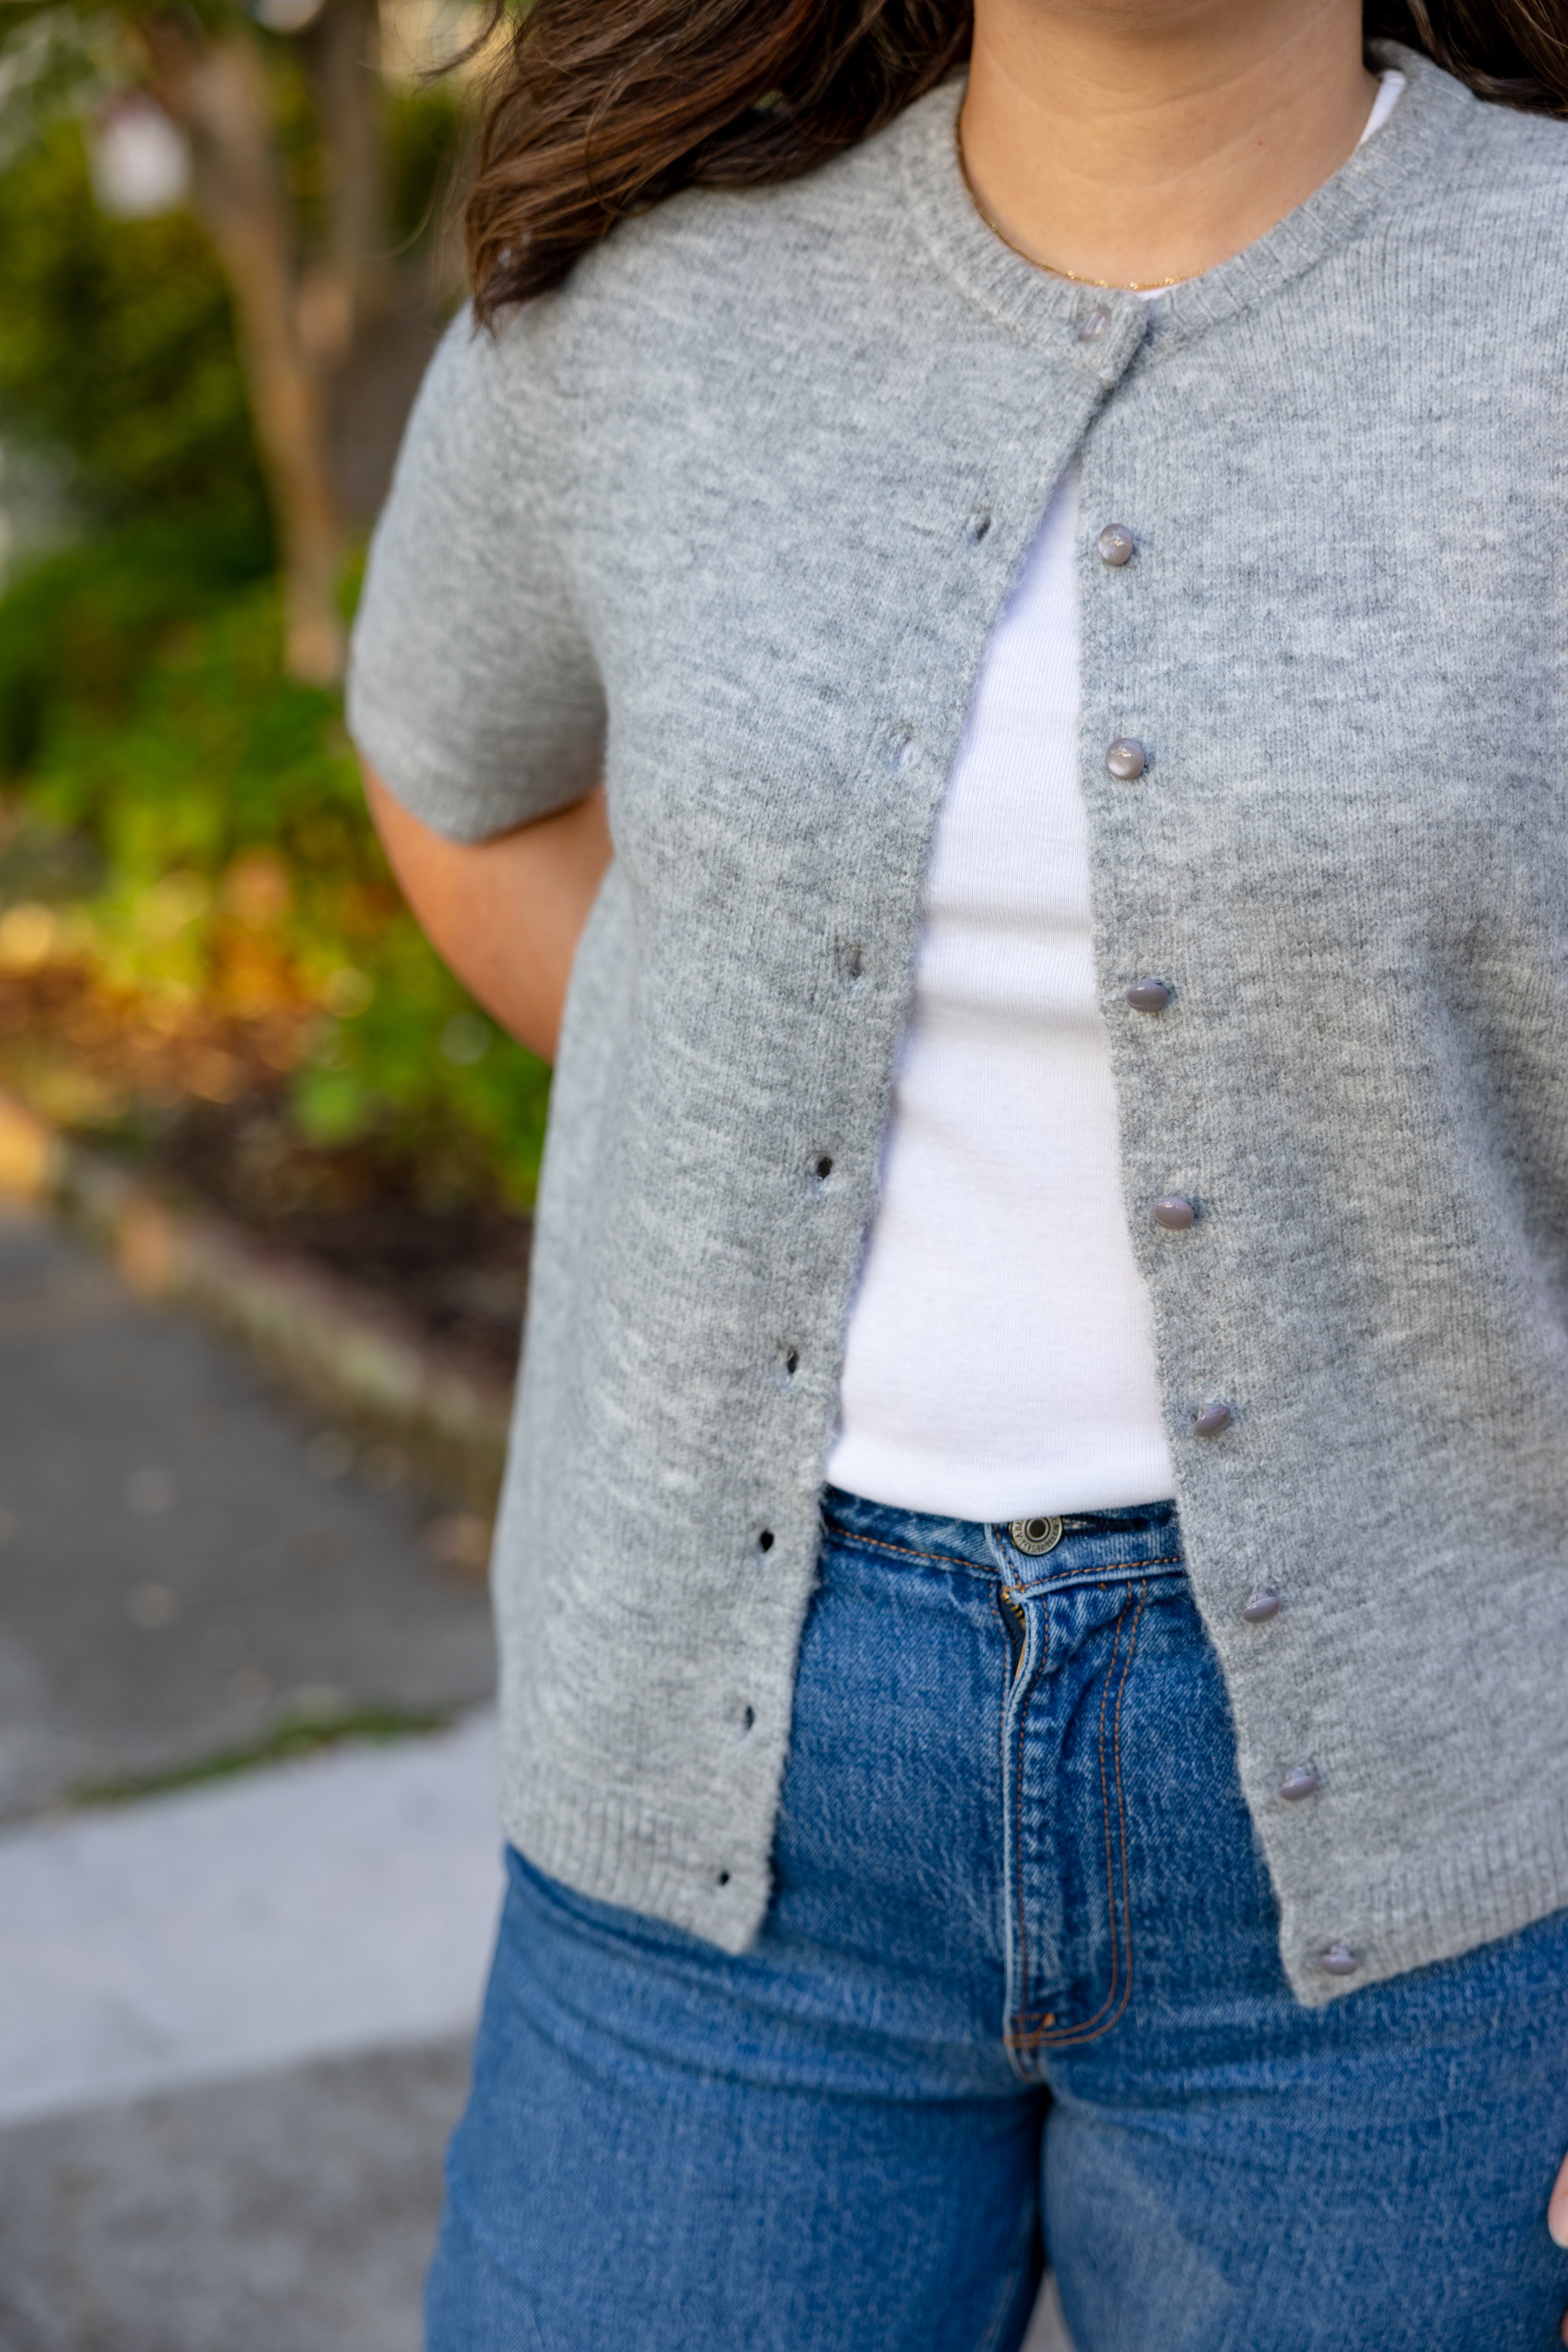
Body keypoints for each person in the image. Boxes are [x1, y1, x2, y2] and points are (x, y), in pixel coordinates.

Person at [347, 2, 1568, 2344]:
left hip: (1437, 1842)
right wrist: (740, 1063)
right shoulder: (656, 299)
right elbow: (459, 765)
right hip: (715, 1808)